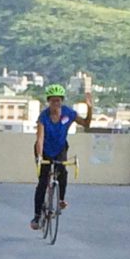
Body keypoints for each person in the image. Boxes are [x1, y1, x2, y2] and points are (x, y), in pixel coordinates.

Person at [28, 85, 89, 230]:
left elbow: (86, 124)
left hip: (60, 148)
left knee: (62, 171)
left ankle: (61, 199)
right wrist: (40, 157)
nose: (56, 104)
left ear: (61, 101)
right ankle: (37, 216)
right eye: (53, 101)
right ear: (49, 102)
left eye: (58, 101)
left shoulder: (68, 113)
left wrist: (90, 108)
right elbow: (40, 138)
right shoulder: (44, 116)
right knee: (43, 182)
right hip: (44, 149)